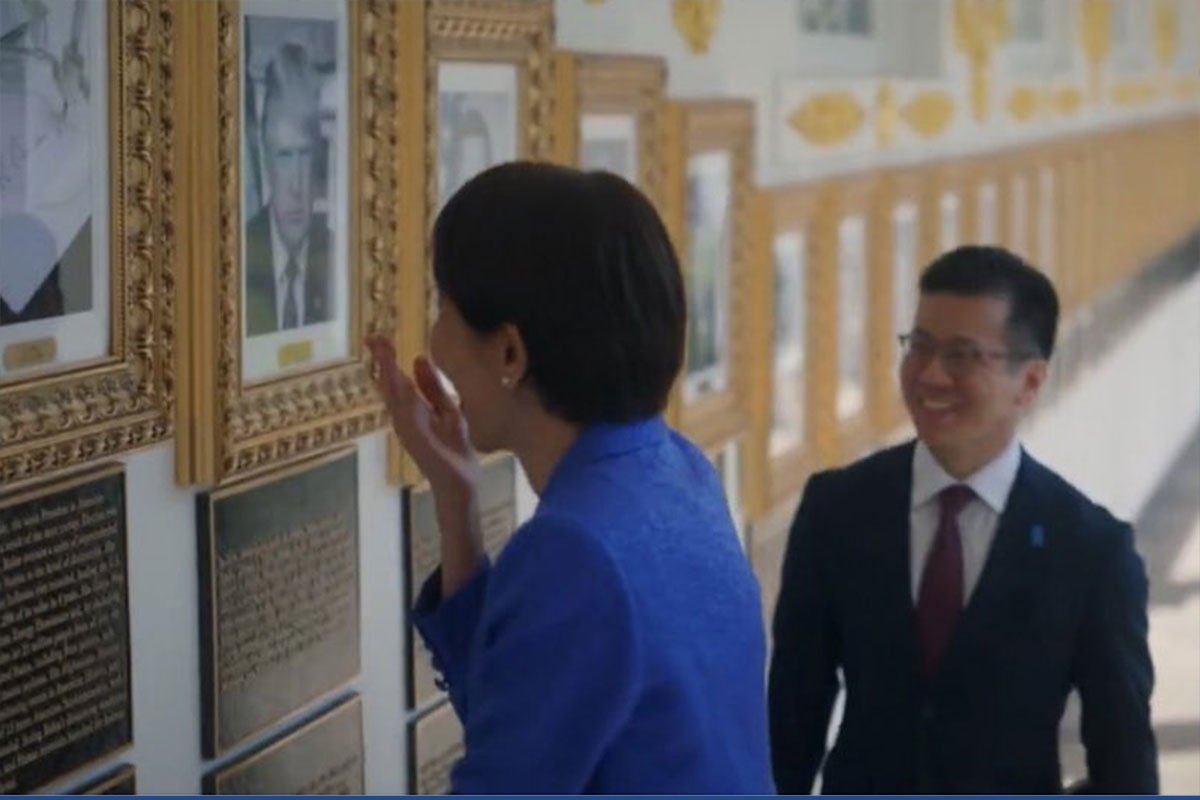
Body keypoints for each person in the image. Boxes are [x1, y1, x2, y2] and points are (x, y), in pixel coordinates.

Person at [366, 162, 773, 793]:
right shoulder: (682, 469)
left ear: (510, 352)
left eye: (444, 307)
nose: (434, 342)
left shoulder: (572, 552)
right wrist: (456, 502)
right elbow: (532, 711)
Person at [768, 245, 1157, 794]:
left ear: (1030, 382)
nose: (929, 374)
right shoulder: (837, 509)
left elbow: (1125, 763)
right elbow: (791, 716)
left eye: (962, 355)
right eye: (919, 346)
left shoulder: (1090, 550)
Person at [244, 41, 331, 336]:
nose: (296, 186)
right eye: (284, 155)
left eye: (304, 155)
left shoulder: (339, 259)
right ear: (266, 160)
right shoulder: (237, 256)